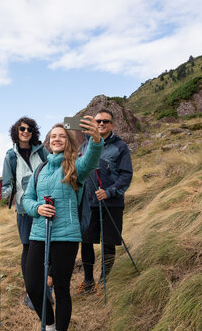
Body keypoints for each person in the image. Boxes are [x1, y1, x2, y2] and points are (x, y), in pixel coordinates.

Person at [22, 117, 103, 331]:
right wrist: (37, 208)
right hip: (39, 234)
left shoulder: (75, 166)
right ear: (49, 141)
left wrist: (96, 139)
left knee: (61, 288)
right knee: (33, 286)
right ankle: (49, 324)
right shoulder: (39, 170)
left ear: (68, 141)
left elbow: (92, 159)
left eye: (62, 136)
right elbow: (26, 199)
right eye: (54, 136)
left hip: (66, 236)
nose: (57, 139)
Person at [0, 116, 48, 309]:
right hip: (24, 209)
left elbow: (53, 171)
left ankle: (45, 288)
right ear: (16, 131)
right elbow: (8, 185)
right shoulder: (11, 156)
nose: (25, 132)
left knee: (45, 248)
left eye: (29, 129)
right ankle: (31, 292)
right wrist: (0, 193)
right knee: (28, 249)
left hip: (43, 207)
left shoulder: (41, 151)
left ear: (34, 133)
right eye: (22, 128)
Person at [76, 109, 133, 295]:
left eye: (105, 121)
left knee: (108, 243)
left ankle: (103, 282)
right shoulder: (85, 146)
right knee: (85, 242)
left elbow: (126, 176)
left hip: (111, 204)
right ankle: (88, 281)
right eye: (98, 121)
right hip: (88, 203)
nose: (101, 124)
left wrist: (109, 192)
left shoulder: (120, 147)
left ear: (112, 125)